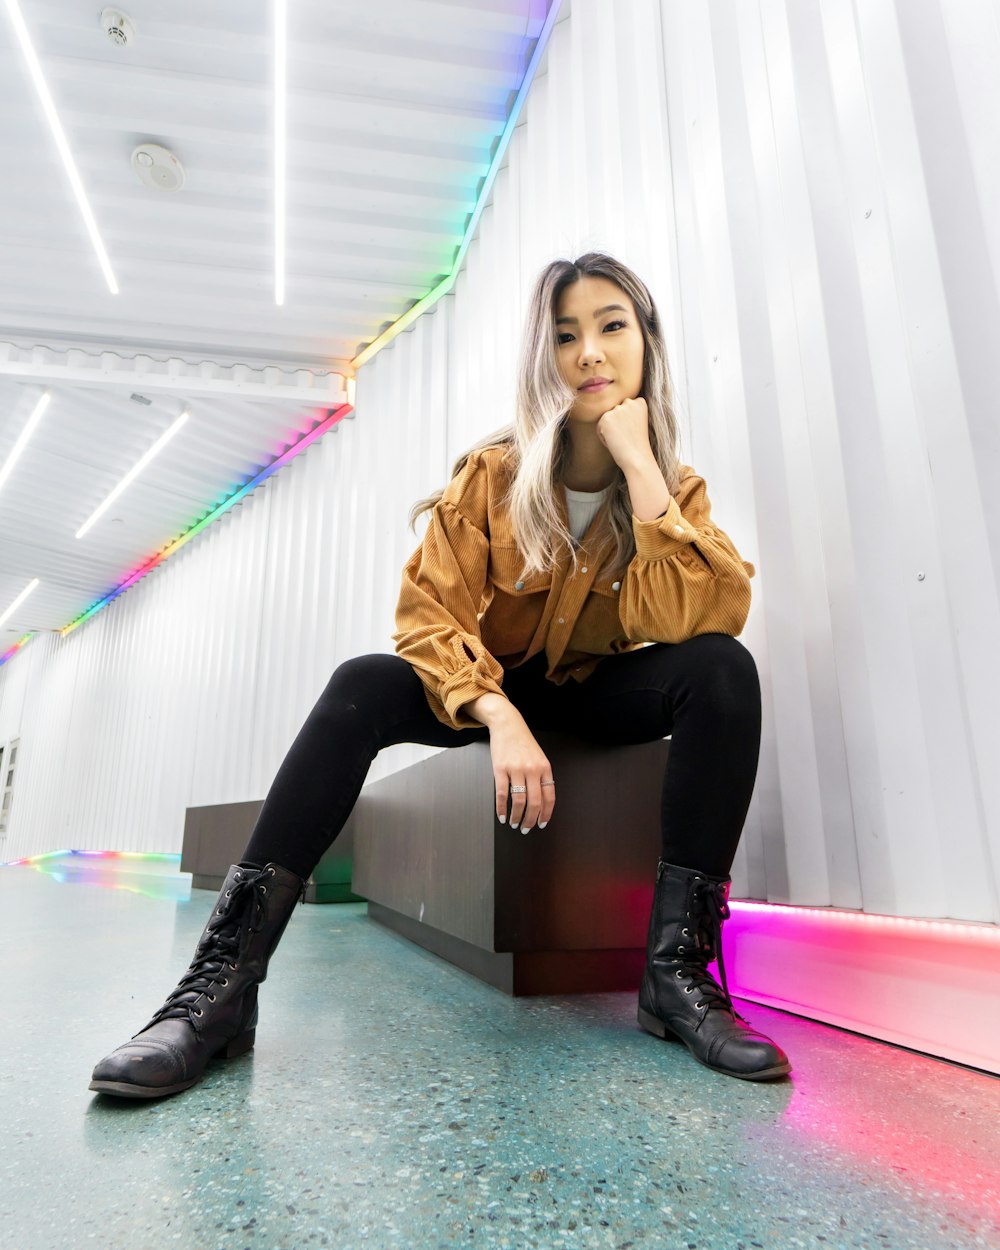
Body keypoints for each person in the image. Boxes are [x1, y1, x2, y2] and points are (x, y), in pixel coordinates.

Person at [89, 251, 790, 1099]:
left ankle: (677, 981)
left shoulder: (673, 488)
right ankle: (217, 993)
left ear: (646, 342)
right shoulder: (494, 475)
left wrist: (643, 471)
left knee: (723, 670)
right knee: (362, 683)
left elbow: (700, 616)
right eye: (566, 336)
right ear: (545, 356)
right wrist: (497, 715)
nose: (590, 354)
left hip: (594, 693)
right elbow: (428, 618)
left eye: (612, 327)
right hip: (491, 690)